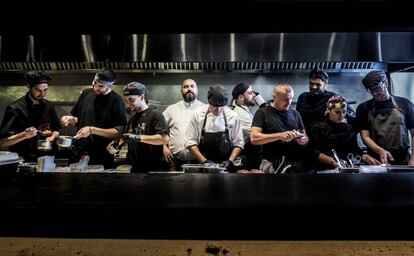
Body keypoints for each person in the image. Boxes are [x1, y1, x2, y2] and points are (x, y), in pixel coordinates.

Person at [60, 68, 127, 168]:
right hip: (78, 153)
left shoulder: (117, 101)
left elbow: (118, 132)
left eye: (100, 86)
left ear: (110, 86)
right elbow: (81, 120)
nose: (95, 88)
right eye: (94, 83)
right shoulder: (86, 93)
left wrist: (92, 130)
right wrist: (70, 120)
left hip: (101, 155)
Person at [0, 70, 61, 161]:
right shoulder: (15, 108)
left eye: (45, 90)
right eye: (38, 90)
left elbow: (56, 130)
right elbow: (3, 142)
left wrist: (51, 138)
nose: (42, 94)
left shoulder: (49, 106)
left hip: (47, 160)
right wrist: (24, 135)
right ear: (29, 86)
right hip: (23, 161)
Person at [356, 70, 414, 165]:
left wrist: (413, 158)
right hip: (376, 161)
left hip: (403, 160)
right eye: (370, 90)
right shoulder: (364, 108)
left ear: (386, 83)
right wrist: (380, 151)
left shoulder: (405, 104)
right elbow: (365, 137)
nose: (374, 93)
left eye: (377, 88)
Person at [308, 95, 380, 171]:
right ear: (328, 110)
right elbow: (313, 152)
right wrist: (332, 161)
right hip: (324, 169)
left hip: (345, 168)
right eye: (337, 112)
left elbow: (354, 149)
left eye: (344, 112)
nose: (341, 115)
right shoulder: (318, 127)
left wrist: (364, 156)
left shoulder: (347, 128)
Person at [251, 84, 309, 173]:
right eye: (285, 99)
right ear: (274, 96)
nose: (289, 102)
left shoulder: (295, 114)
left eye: (291, 98)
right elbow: (254, 138)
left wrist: (303, 140)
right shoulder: (262, 113)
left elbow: (305, 137)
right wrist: (280, 136)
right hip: (272, 164)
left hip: (294, 164)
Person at [112, 82, 169, 172]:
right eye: (126, 100)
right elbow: (127, 138)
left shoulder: (156, 115)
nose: (128, 104)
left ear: (142, 97)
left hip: (151, 169)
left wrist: (137, 138)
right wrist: (117, 144)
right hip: (134, 169)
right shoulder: (132, 119)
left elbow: (164, 139)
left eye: (131, 100)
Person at [185, 84, 244, 172]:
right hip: (204, 168)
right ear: (208, 101)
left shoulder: (233, 116)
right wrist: (204, 161)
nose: (219, 109)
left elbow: (238, 143)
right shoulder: (197, 115)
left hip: (226, 168)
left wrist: (230, 161)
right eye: (215, 106)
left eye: (222, 106)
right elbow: (190, 142)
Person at [162, 78, 205, 170]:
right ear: (181, 90)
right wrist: (163, 147)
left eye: (192, 86)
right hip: (175, 161)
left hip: (200, 161)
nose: (189, 89)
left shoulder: (205, 109)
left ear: (197, 90)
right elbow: (158, 129)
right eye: (185, 87)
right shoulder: (171, 109)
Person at [296, 68, 356, 132]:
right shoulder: (302, 97)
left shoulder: (333, 98)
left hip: (324, 138)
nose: (314, 87)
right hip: (305, 138)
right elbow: (297, 118)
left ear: (325, 84)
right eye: (311, 83)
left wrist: (349, 134)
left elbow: (353, 117)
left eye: (318, 84)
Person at [230, 82, 265, 170]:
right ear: (241, 97)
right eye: (250, 93)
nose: (254, 95)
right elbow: (257, 134)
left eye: (253, 92)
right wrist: (263, 105)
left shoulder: (241, 108)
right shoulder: (239, 113)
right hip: (245, 158)